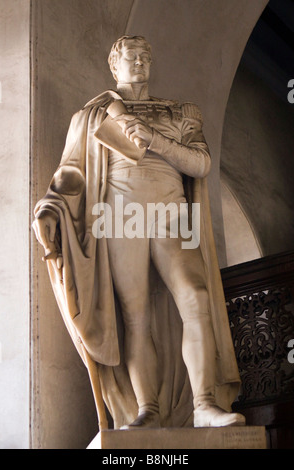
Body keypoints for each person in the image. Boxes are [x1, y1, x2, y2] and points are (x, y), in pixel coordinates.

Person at [33, 35, 245, 429]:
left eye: (147, 55)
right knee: (135, 315)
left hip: (171, 212)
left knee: (195, 297)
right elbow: (72, 172)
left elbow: (200, 164)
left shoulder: (179, 111)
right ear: (115, 65)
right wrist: (49, 205)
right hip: (119, 215)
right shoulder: (91, 117)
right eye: (132, 56)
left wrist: (157, 142)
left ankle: (203, 405)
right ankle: (148, 409)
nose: (141, 61)